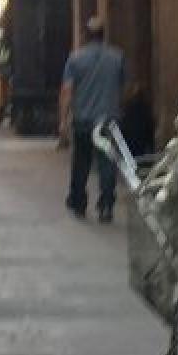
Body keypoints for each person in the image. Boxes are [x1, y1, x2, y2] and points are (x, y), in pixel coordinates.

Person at [60, 16, 125, 222]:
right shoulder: (117, 57)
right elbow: (123, 86)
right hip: (108, 120)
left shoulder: (75, 59)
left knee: (81, 162)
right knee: (107, 163)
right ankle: (106, 204)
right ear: (103, 35)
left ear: (86, 36)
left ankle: (78, 201)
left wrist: (63, 120)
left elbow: (67, 91)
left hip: (83, 120)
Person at [119, 82, 155, 158]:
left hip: (128, 147)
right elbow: (150, 131)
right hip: (141, 146)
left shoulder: (127, 110)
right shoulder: (145, 110)